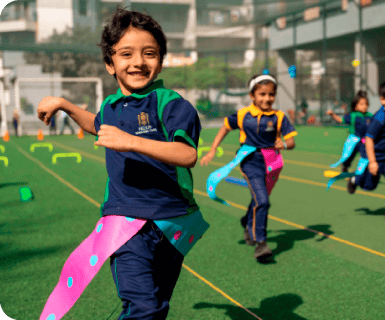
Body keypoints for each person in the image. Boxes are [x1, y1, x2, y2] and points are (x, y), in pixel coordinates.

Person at [37, 8, 209, 319]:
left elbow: (188, 155)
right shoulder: (111, 105)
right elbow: (98, 125)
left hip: (172, 223)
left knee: (156, 307)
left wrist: (130, 141)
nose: (139, 62)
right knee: (144, 306)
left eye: (149, 53)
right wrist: (65, 105)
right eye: (126, 53)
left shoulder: (171, 104)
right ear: (110, 64)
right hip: (124, 223)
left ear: (160, 60)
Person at [200, 74, 297, 261]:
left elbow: (291, 141)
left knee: (260, 198)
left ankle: (247, 222)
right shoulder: (243, 114)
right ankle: (261, 244)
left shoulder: (279, 117)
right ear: (253, 96)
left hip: (272, 161)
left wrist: (283, 145)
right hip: (250, 161)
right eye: (262, 94)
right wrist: (213, 150)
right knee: (263, 201)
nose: (267, 98)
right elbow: (225, 128)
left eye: (271, 94)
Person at [346, 79, 385, 224]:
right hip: (372, 156)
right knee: (370, 186)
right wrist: (373, 162)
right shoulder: (379, 117)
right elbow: (369, 139)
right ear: (383, 100)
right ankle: (355, 179)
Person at [326, 90, 372, 173]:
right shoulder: (353, 115)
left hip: (364, 141)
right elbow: (340, 120)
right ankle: (345, 166)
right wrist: (332, 114)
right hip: (354, 139)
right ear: (355, 107)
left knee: (366, 156)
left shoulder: (369, 116)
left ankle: (363, 171)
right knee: (349, 155)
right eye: (361, 104)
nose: (364, 106)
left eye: (366, 104)